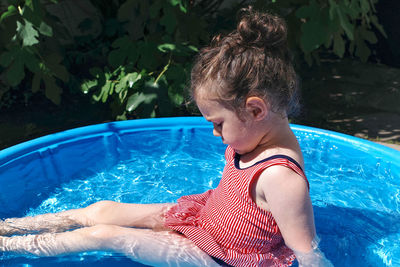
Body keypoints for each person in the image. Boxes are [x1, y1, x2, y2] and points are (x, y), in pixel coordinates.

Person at [0, 7, 332, 267]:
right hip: (202, 220)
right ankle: (9, 226)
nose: (215, 133)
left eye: (218, 123)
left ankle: (9, 247)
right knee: (103, 210)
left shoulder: (280, 178)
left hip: (219, 257)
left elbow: (307, 253)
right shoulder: (255, 136)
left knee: (103, 235)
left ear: (256, 110)